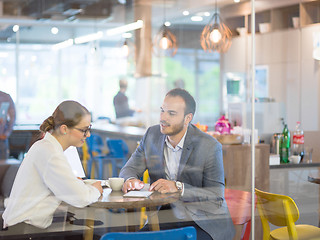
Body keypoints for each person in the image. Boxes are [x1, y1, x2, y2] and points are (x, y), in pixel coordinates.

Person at [119, 88, 235, 240]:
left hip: (202, 221)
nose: (163, 118)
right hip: (164, 217)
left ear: (188, 118)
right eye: (162, 111)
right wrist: (130, 180)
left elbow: (216, 197)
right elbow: (129, 169)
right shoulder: (152, 135)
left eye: (171, 113)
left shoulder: (209, 146)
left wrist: (179, 188)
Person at [2, 100, 103, 229]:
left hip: (21, 225)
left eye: (89, 129)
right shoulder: (51, 153)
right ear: (64, 129)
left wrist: (72, 183)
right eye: (84, 130)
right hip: (24, 230)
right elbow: (80, 198)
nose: (88, 135)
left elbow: (61, 186)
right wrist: (95, 190)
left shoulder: (45, 146)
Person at [0, 90, 16, 159]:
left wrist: (7, 133)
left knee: (4, 166)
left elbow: (13, 117)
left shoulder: (5, 97)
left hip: (1, 137)